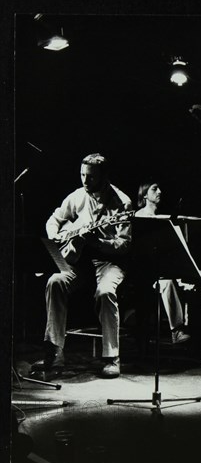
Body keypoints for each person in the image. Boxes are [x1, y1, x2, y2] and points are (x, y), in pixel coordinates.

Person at [39, 153, 133, 378]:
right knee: (55, 282)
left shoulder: (122, 202)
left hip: (108, 261)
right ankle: (55, 352)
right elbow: (54, 220)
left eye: (90, 177)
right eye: (82, 175)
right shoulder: (76, 197)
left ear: (104, 176)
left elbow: (124, 245)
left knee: (105, 292)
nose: (85, 181)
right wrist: (58, 237)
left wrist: (97, 242)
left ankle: (112, 358)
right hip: (78, 261)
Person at [134, 181, 191, 344]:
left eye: (159, 188)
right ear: (144, 194)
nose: (159, 191)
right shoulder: (139, 217)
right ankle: (177, 330)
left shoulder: (164, 218)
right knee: (167, 283)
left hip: (161, 267)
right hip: (144, 271)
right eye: (154, 189)